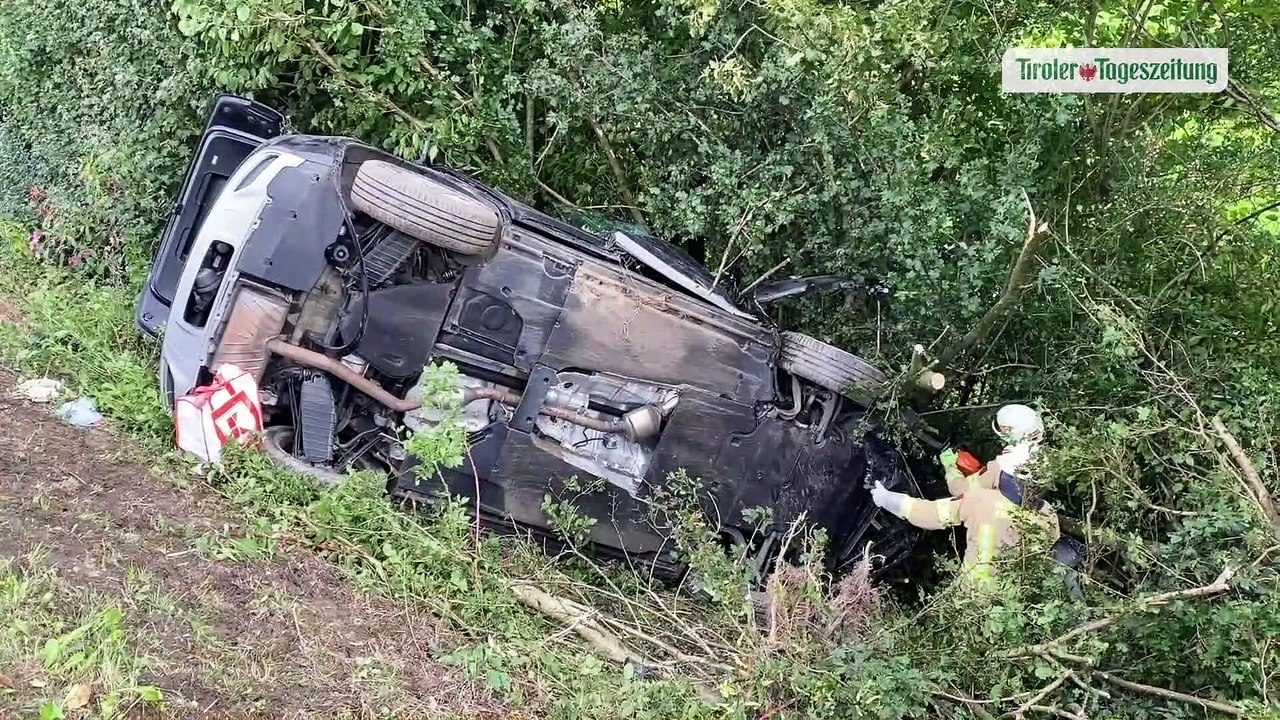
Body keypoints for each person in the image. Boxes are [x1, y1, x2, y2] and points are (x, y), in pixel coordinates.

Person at [870, 404, 1060, 585]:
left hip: (973, 599)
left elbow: (930, 512)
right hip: (1016, 604)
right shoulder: (1049, 516)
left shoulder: (981, 501)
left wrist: (887, 499)